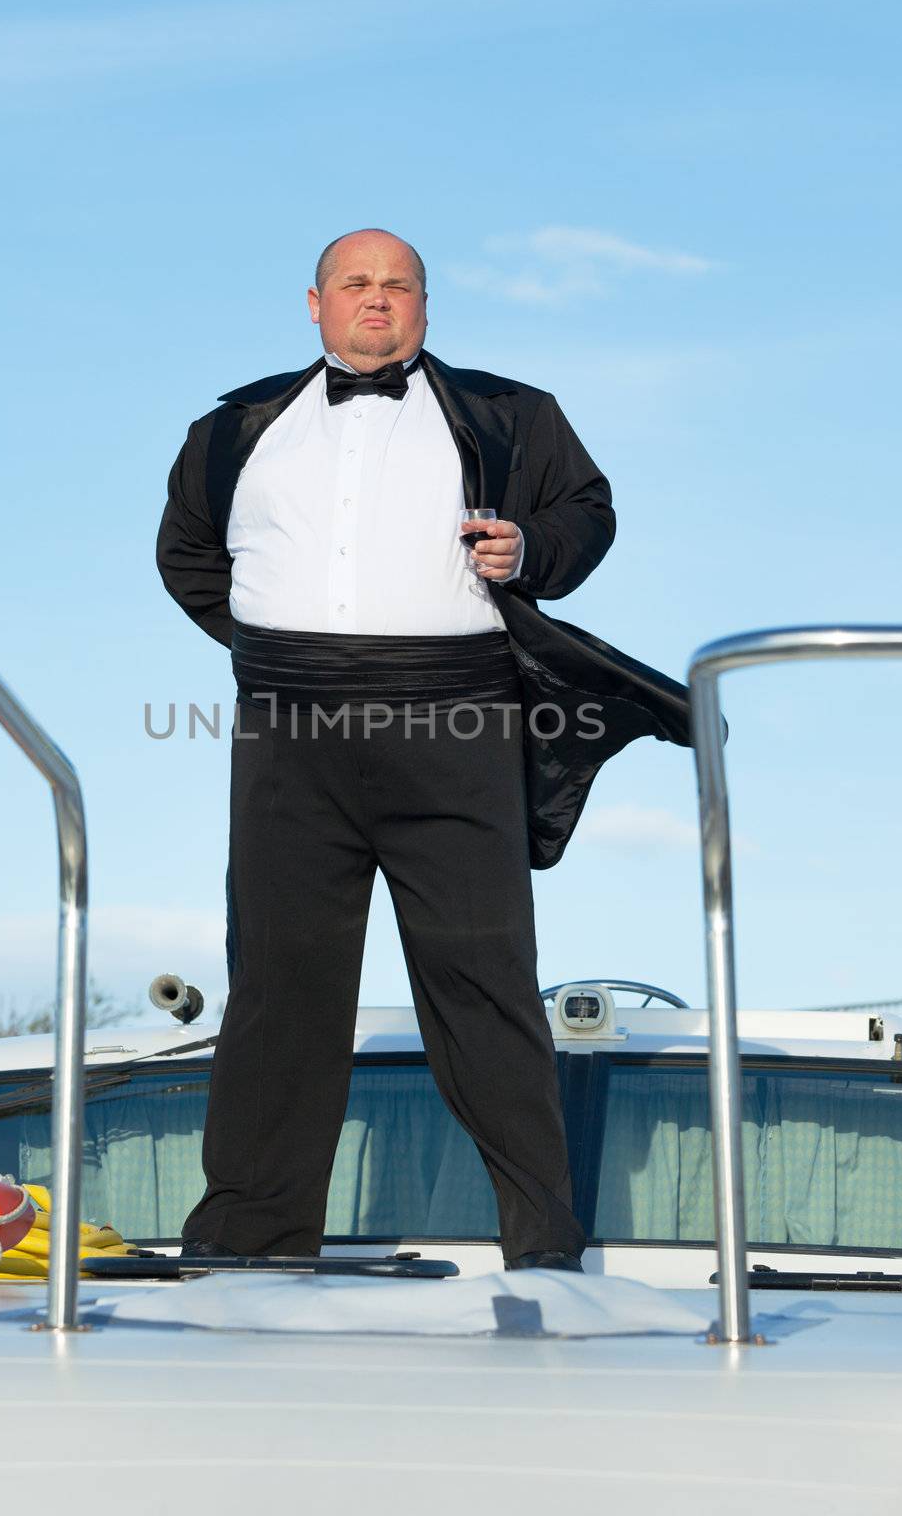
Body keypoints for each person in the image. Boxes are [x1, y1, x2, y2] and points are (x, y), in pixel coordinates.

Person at [156, 228, 692, 1271]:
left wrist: (528, 550)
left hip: (456, 717)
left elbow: (586, 511)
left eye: (397, 285)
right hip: (288, 722)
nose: (375, 299)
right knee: (276, 984)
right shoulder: (233, 426)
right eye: (354, 283)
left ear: (424, 308)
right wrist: (281, 640)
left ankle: (541, 1246)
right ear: (312, 303)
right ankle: (250, 1245)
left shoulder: (510, 412)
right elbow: (187, 555)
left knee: (484, 982)